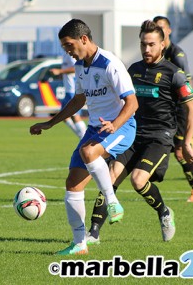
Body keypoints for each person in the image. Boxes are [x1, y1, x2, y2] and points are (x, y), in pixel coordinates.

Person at [29, 19, 138, 255]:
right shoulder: (80, 66)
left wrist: (115, 124)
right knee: (73, 184)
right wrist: (50, 123)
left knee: (88, 152)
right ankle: (80, 244)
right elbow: (78, 101)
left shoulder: (111, 64)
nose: (67, 51)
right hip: (95, 129)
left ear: (84, 39)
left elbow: (132, 102)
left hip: (122, 127)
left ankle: (112, 202)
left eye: (69, 45)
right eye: (64, 47)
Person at [86, 20, 193, 245]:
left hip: (160, 136)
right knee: (109, 180)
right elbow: (124, 101)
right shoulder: (134, 70)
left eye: (151, 44)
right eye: (143, 45)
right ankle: (94, 233)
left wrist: (186, 142)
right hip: (133, 134)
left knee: (139, 181)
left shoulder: (175, 73)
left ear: (162, 45)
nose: (146, 49)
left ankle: (164, 213)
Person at [153, 15, 193, 202]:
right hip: (165, 109)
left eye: (161, 28)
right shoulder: (156, 53)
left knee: (179, 151)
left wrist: (182, 105)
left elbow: (186, 83)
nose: (158, 31)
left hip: (179, 109)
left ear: (168, 31)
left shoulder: (177, 54)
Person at [50, 53, 87, 139]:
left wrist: (60, 71)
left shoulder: (72, 55)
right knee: (65, 117)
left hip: (73, 90)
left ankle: (84, 138)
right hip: (68, 91)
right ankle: (82, 137)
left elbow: (76, 68)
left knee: (75, 116)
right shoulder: (65, 55)